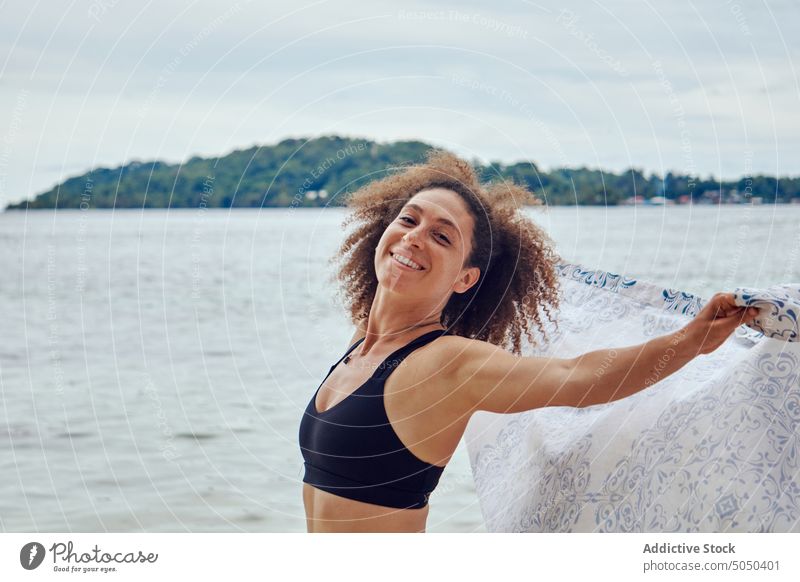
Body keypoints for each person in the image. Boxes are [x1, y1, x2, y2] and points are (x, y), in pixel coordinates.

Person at [297, 150, 759, 533]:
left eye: (441, 236)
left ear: (465, 278)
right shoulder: (362, 343)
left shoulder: (446, 364)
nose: (414, 238)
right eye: (408, 220)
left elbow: (577, 378)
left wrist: (692, 340)